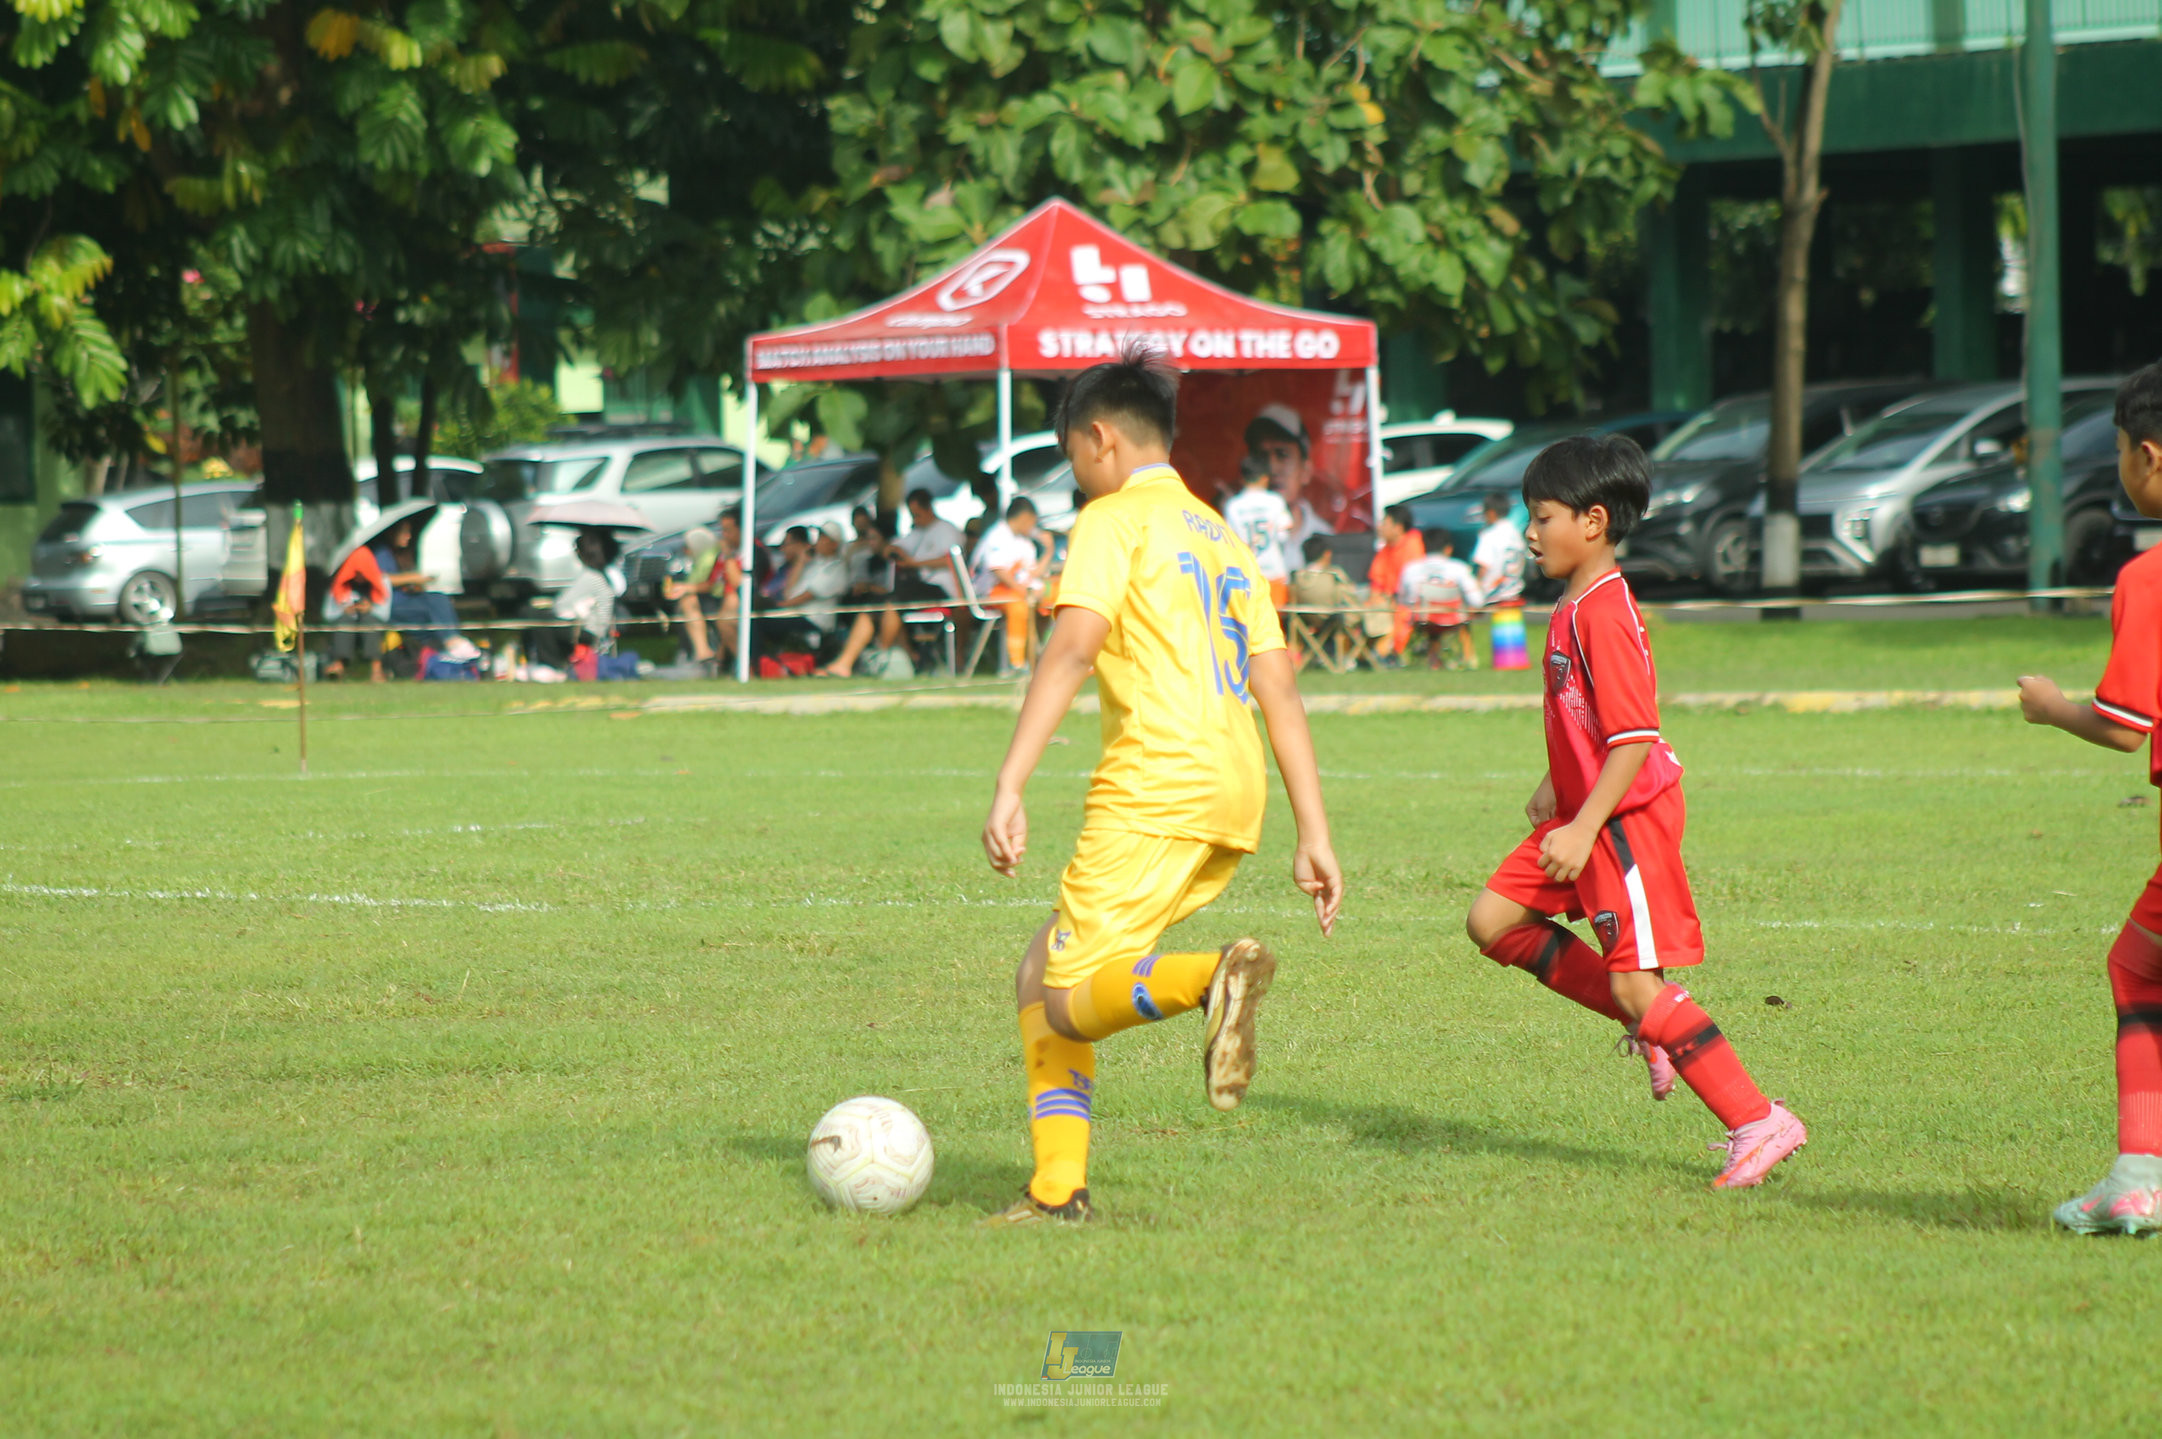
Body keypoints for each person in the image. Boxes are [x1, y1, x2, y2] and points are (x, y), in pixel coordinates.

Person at [978, 345, 1343, 1226]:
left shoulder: (1112, 520)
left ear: (1099, 438)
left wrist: (1009, 781)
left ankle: (1210, 978)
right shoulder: (1222, 535)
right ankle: (1058, 1191)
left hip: (1156, 782)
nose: (1076, 476)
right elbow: (1280, 687)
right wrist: (1314, 832)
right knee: (1043, 968)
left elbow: (1068, 648)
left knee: (1068, 998)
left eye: (1072, 456)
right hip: (1233, 787)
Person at [1463, 434, 1807, 1190]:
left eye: (1542, 515)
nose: (1529, 531)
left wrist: (1584, 825)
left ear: (1592, 521)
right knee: (1495, 920)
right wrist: (1557, 788)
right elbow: (1588, 721)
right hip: (1585, 809)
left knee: (1635, 983)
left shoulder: (1605, 609)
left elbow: (1634, 733)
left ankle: (1758, 1119)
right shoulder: (1572, 600)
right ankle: (1645, 1019)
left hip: (1622, 821)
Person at [2019, 360, 2162, 1234]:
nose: (2118, 466)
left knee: (2138, 969)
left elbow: (2121, 723)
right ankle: (2137, 1171)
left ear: (2149, 453)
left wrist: (2052, 707)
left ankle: (2139, 1176)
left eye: (2116, 449)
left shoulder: (2148, 579)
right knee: (2140, 962)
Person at [1245, 404, 1344, 551]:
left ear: (1305, 470)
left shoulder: (1325, 540)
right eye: (1263, 456)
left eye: (1282, 455)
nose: (1272, 468)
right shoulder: (1239, 540)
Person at [523, 528, 618, 677]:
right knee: (543, 617)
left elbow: (560, 605)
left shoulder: (591, 577)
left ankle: (551, 665)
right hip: (595, 630)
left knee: (534, 616)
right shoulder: (603, 575)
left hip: (589, 632)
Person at [970, 497, 1047, 676]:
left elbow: (1032, 572)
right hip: (991, 591)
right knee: (1018, 605)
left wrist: (1048, 550)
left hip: (1017, 589)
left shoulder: (1023, 541)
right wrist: (1023, 591)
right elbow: (998, 570)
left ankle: (1036, 656)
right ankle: (1017, 663)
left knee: (1050, 601)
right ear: (1025, 518)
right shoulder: (997, 535)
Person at [1397, 530, 1483, 670]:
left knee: (1423, 615)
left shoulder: (1410, 569)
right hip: (1453, 620)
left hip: (1422, 620)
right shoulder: (1459, 568)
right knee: (1464, 616)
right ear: (1448, 549)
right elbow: (1477, 601)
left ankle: (1430, 659)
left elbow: (1404, 601)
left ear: (1424, 546)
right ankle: (1469, 658)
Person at [374, 517, 461, 654]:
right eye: (404, 532)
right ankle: (452, 642)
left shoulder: (403, 553)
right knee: (436, 603)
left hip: (408, 599)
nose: (408, 536)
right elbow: (383, 579)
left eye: (409, 532)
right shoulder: (381, 553)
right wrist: (415, 577)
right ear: (392, 533)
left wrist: (415, 585)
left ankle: (449, 644)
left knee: (440, 599)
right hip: (391, 606)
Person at [1222, 451, 1295, 607]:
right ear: (1265, 478)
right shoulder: (1276, 501)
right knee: (1275, 624)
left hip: (1246, 575)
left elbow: (1230, 543)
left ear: (1242, 478)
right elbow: (1284, 536)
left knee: (1250, 626)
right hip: (1274, 573)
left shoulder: (1233, 506)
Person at [1366, 503, 1426, 664]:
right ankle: (1365, 654)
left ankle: (1387, 653)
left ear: (1398, 528)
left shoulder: (1413, 546)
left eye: (1384, 523)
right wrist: (1375, 599)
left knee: (1400, 614)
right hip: (1386, 602)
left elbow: (1413, 587)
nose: (1380, 527)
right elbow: (1376, 581)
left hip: (1407, 603)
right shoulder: (1385, 549)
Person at [323, 542, 389, 682]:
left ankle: (376, 670)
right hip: (348, 621)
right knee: (344, 621)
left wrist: (371, 609)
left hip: (371, 622)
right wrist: (343, 609)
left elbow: (385, 614)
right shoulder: (339, 583)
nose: (360, 576)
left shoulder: (382, 581)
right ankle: (338, 665)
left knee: (370, 621)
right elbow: (328, 613)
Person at [662, 524, 723, 668]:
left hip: (717, 600)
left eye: (687, 547)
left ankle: (703, 654)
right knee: (685, 603)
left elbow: (711, 584)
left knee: (688, 602)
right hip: (709, 598)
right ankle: (693, 654)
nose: (685, 551)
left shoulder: (711, 557)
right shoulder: (702, 559)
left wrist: (685, 588)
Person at [1471, 493, 1529, 607]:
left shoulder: (1489, 534)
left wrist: (1477, 586)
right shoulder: (1515, 533)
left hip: (1494, 592)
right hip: (1514, 589)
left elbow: (1484, 565)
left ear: (1491, 513)